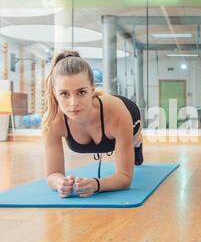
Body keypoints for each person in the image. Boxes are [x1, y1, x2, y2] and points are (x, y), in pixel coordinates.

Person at [42, 50, 143, 198]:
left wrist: (96, 184)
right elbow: (52, 174)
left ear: (92, 89)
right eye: (64, 94)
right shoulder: (52, 121)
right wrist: (60, 183)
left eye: (81, 92)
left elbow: (125, 178)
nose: (73, 103)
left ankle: (137, 144)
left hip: (129, 113)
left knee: (135, 139)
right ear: (54, 93)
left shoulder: (118, 114)